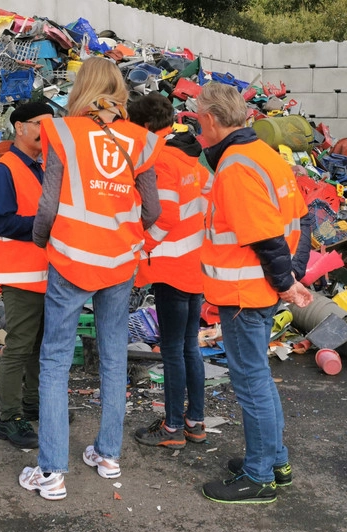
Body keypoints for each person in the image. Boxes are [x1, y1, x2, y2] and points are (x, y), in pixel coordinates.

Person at [19, 57, 165, 501]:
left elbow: (48, 206)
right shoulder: (140, 141)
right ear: (120, 90)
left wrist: (43, 239)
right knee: (114, 356)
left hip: (71, 261)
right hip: (119, 263)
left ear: (81, 89)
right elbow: (153, 210)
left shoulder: (62, 133)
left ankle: (52, 473)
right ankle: (107, 455)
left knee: (55, 360)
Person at [195, 81, 313, 504]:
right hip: (258, 291)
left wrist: (286, 285)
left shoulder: (235, 166)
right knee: (259, 380)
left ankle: (260, 476)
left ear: (210, 120)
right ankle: (274, 459)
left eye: (197, 118)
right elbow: (302, 223)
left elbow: (267, 240)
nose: (195, 125)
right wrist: (291, 278)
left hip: (246, 294)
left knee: (251, 385)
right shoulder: (264, 154)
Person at [127, 94, 212, 450]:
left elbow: (165, 215)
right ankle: (195, 422)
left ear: (143, 126)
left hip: (171, 268)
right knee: (190, 347)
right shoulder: (193, 160)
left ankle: (173, 426)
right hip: (195, 268)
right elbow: (205, 207)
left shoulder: (160, 160)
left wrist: (141, 246)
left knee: (173, 350)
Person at [0, 102, 55, 449]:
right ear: (20, 128)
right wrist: (51, 226)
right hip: (19, 277)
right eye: (40, 124)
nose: (47, 130)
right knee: (19, 349)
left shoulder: (40, 169)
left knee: (37, 347)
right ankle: (9, 419)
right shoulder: (3, 170)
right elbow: (4, 222)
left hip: (42, 276)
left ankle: (32, 405)